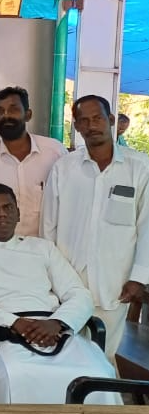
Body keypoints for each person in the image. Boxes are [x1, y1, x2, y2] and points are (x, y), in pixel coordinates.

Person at [0, 184, 117, 404]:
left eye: (8, 207)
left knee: (99, 373)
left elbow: (78, 293)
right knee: (15, 375)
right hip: (3, 331)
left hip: (54, 330)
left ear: (18, 213)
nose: (2, 214)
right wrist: (14, 322)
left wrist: (57, 322)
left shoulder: (42, 248)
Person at [42, 95, 149, 359]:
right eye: (84, 121)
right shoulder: (64, 168)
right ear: (76, 126)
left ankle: (101, 399)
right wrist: (49, 276)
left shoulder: (140, 168)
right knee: (63, 354)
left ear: (111, 120)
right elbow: (48, 227)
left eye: (98, 118)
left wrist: (139, 277)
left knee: (103, 356)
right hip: (67, 282)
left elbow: (147, 225)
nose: (92, 125)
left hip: (115, 283)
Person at [0, 87, 67, 237]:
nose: (6, 116)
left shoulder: (54, 153)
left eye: (13, 109)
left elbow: (67, 203)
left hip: (46, 250)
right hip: (1, 252)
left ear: (28, 114)